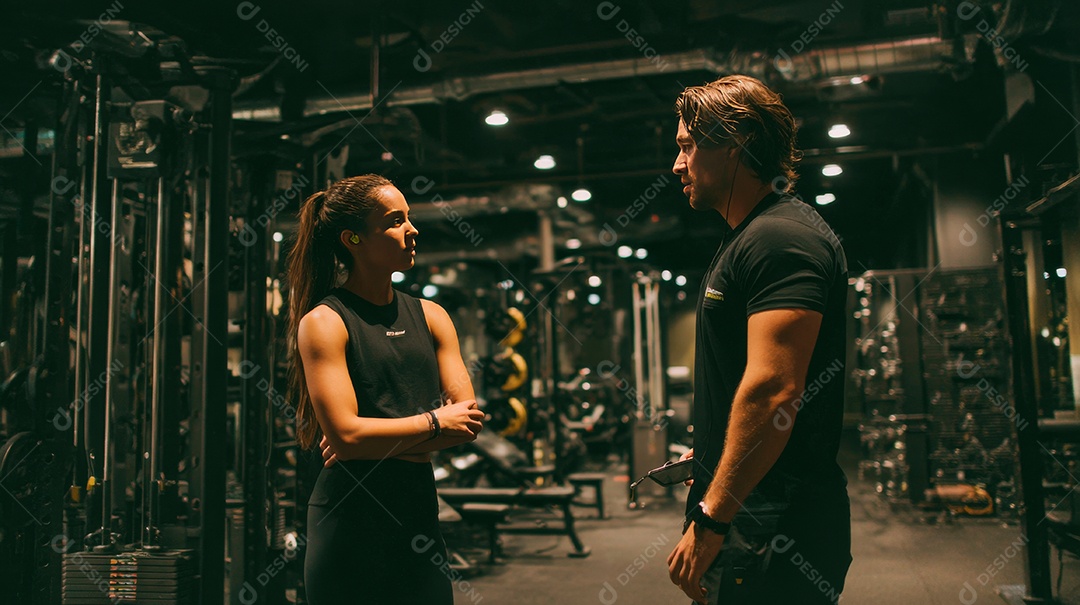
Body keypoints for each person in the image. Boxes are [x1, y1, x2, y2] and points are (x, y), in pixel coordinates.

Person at [665, 75, 852, 604]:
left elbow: (773, 390)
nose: (677, 164)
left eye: (688, 146)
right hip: (754, 513)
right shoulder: (748, 237)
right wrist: (714, 453)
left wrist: (713, 517)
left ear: (736, 143)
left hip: (771, 526)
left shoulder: (779, 238)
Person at [285, 174, 484, 605]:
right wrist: (434, 423)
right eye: (395, 221)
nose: (413, 230)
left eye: (408, 217)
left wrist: (373, 439)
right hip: (348, 521)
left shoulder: (432, 316)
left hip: (417, 514)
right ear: (352, 239)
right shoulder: (324, 322)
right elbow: (347, 437)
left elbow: (467, 422)